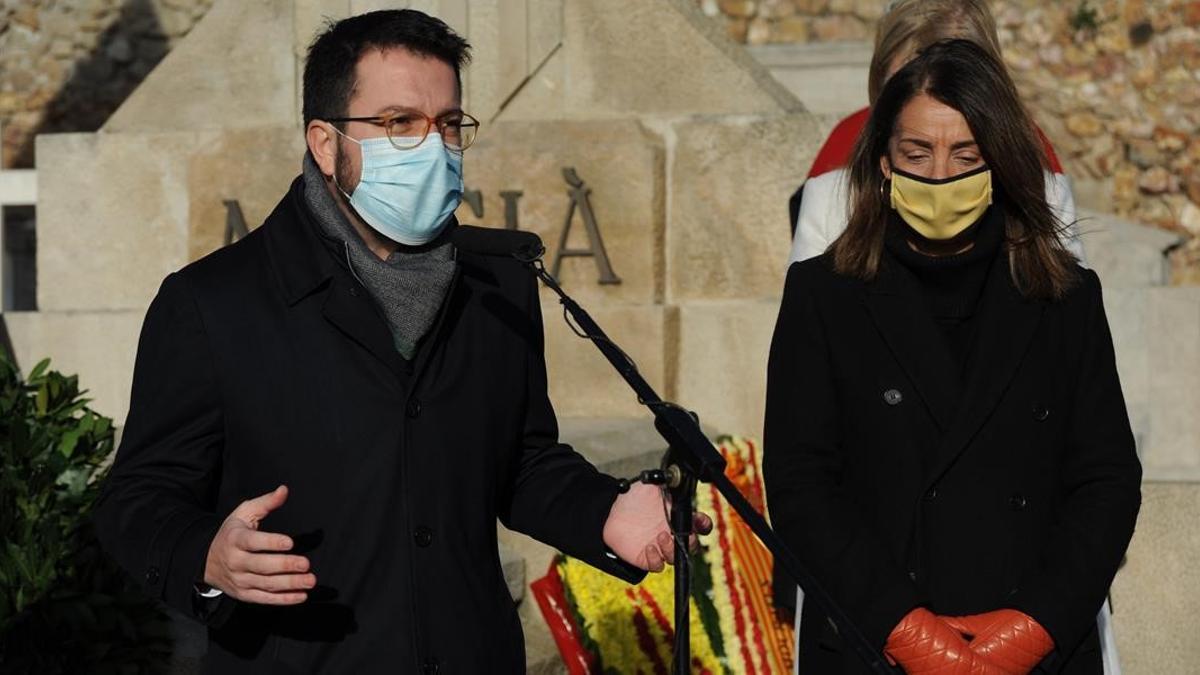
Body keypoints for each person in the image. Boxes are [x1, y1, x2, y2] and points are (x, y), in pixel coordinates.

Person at [94, 10, 707, 673]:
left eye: (448, 124)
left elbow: (521, 460)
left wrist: (605, 513)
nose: (433, 145)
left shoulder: (499, 281)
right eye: (398, 123)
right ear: (325, 143)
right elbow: (136, 499)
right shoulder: (213, 303)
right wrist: (206, 555)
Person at [763, 40, 1140, 674]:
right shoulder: (822, 297)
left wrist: (1030, 630)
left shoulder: (1066, 299)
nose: (940, 176)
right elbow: (801, 486)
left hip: (1037, 650)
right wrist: (908, 632)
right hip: (876, 645)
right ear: (884, 161)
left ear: (1000, 162)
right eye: (918, 153)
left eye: (965, 155)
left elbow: (1106, 480)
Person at [787, 0, 1083, 267]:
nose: (929, 100)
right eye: (906, 84)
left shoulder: (1045, 191)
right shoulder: (830, 201)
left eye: (957, 86)